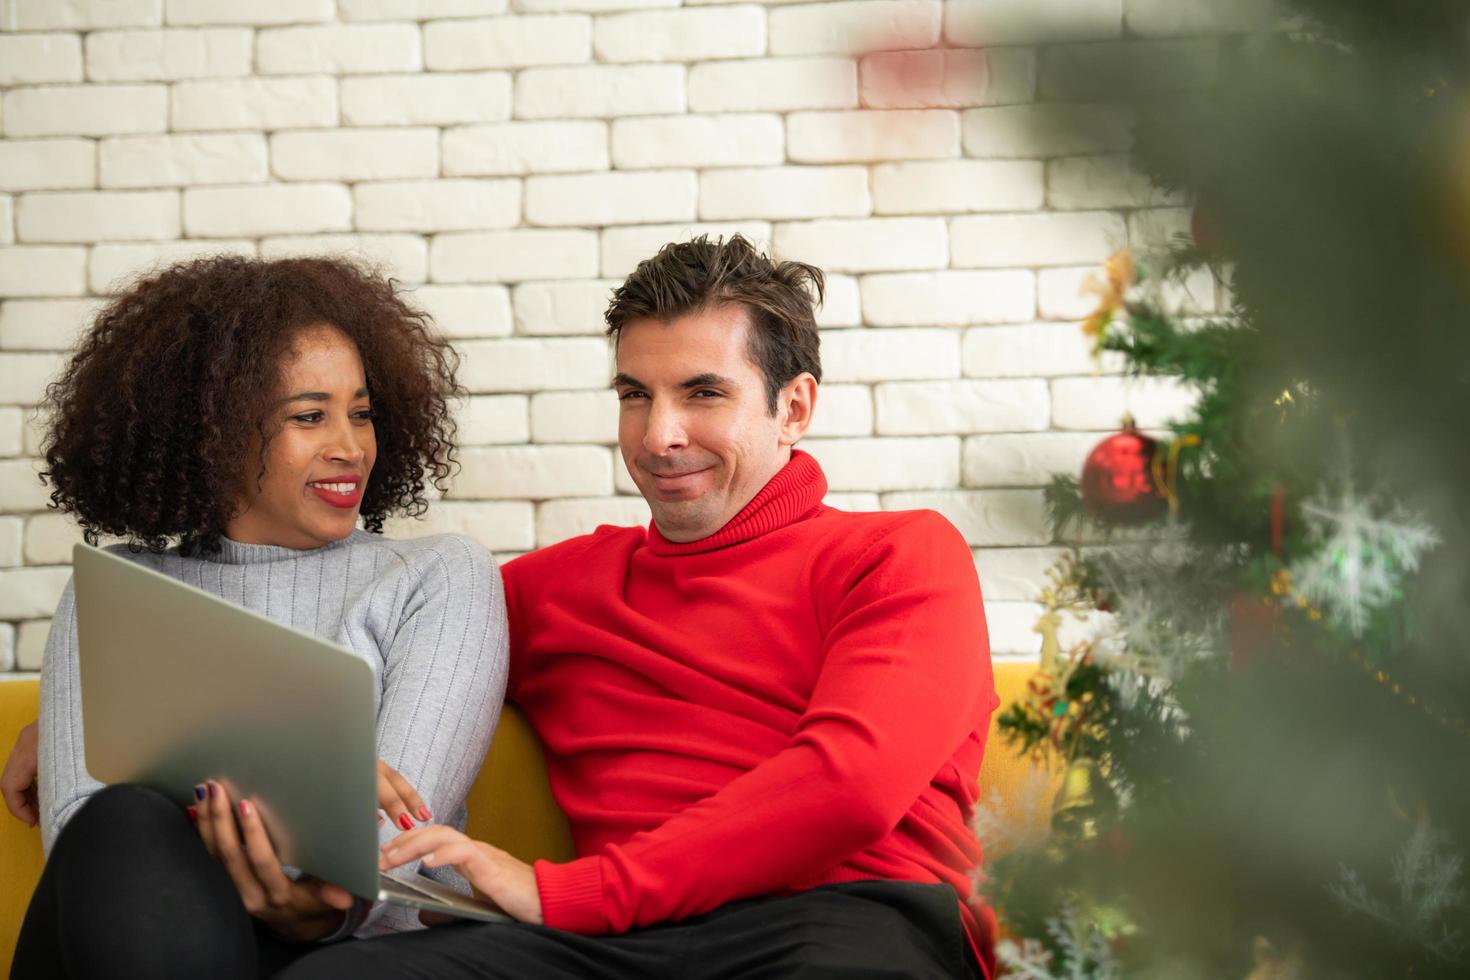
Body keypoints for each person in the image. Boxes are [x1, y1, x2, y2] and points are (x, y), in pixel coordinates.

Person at [277, 235, 999, 979]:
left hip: (844, 920)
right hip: (611, 946)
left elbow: (847, 788)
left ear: (794, 407)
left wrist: (571, 891)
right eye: (634, 395)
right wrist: (309, 761)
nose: (659, 436)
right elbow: (375, 643)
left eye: (703, 393)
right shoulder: (555, 588)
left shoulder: (901, 556)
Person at [4, 255, 509, 980]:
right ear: (213, 434)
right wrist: (311, 774)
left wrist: (194, 769)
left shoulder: (438, 578)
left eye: (361, 412)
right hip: (137, 926)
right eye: (310, 416)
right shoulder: (114, 590)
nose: (350, 447)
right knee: (124, 823)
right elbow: (83, 844)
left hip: (359, 952)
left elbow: (393, 839)